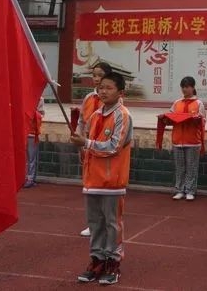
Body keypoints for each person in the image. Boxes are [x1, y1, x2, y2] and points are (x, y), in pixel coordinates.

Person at [70, 72, 133, 285]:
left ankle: (113, 262)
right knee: (95, 223)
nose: (103, 91)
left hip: (112, 181)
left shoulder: (122, 115)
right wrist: (80, 142)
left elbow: (114, 146)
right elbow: (87, 142)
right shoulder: (95, 115)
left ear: (120, 92)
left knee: (112, 224)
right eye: (101, 87)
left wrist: (86, 143)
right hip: (92, 180)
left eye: (109, 87)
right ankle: (97, 259)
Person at [77, 62, 112, 237]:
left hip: (103, 149)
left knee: (104, 188)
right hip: (88, 147)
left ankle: (106, 223)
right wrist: (80, 143)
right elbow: (81, 121)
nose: (96, 79)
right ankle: (93, 224)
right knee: (90, 187)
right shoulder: (89, 98)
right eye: (94, 75)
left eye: (100, 75)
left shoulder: (113, 100)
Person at [169, 76, 206, 201]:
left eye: (187, 87)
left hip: (192, 141)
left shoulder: (198, 103)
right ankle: (179, 190)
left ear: (193, 87)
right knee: (179, 168)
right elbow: (171, 117)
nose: (185, 89)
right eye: (183, 87)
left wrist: (196, 119)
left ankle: (190, 190)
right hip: (177, 140)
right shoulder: (177, 103)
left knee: (191, 167)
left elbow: (203, 120)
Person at [24, 97, 46, 188]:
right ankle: (27, 177)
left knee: (31, 158)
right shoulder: (24, 97)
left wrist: (32, 112)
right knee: (26, 157)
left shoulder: (40, 99)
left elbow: (41, 115)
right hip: (24, 132)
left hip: (32, 133)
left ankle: (30, 178)